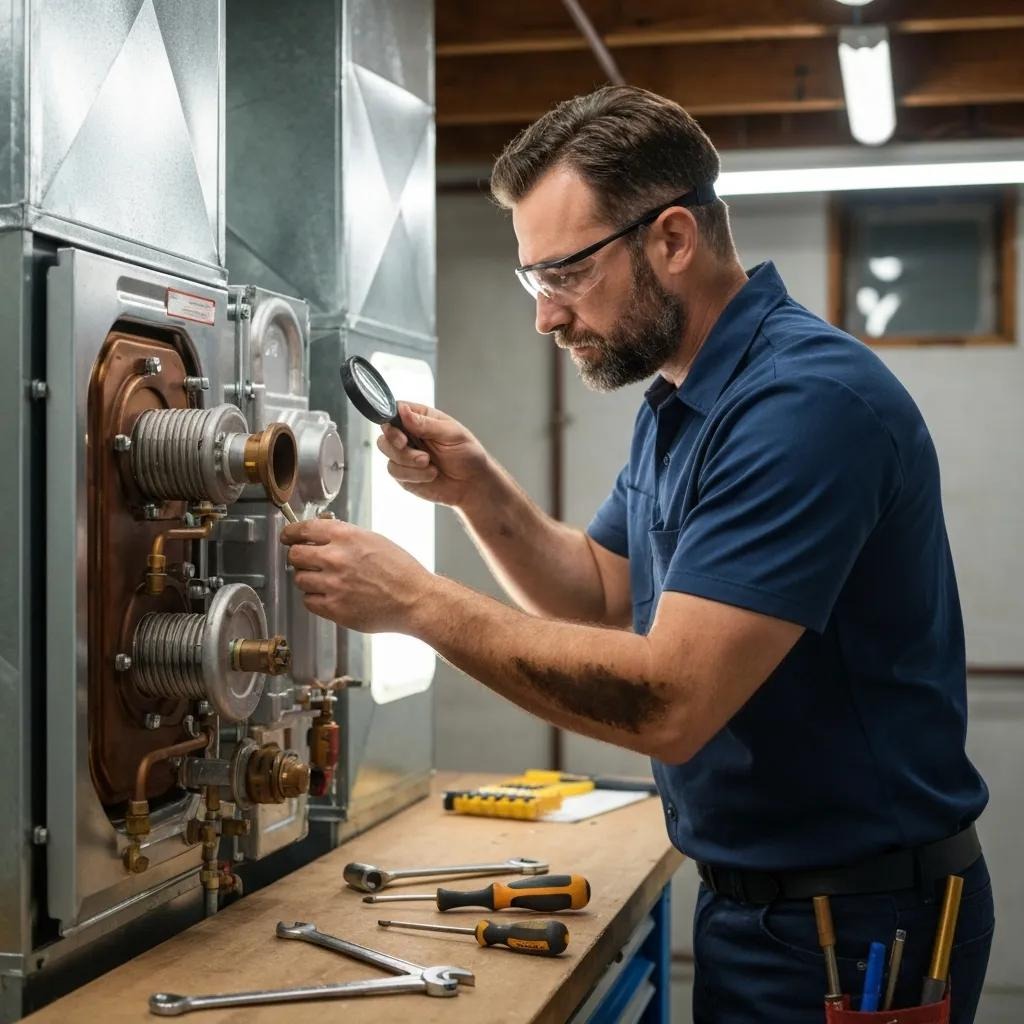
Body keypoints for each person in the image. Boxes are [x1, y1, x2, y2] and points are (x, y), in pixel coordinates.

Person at [281, 86, 993, 1022]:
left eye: (564, 275)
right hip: (765, 905)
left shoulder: (802, 408)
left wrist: (418, 603)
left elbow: (670, 701)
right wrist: (479, 491)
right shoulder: (683, 400)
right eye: (530, 282)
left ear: (670, 240)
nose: (546, 317)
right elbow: (600, 590)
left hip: (858, 924)